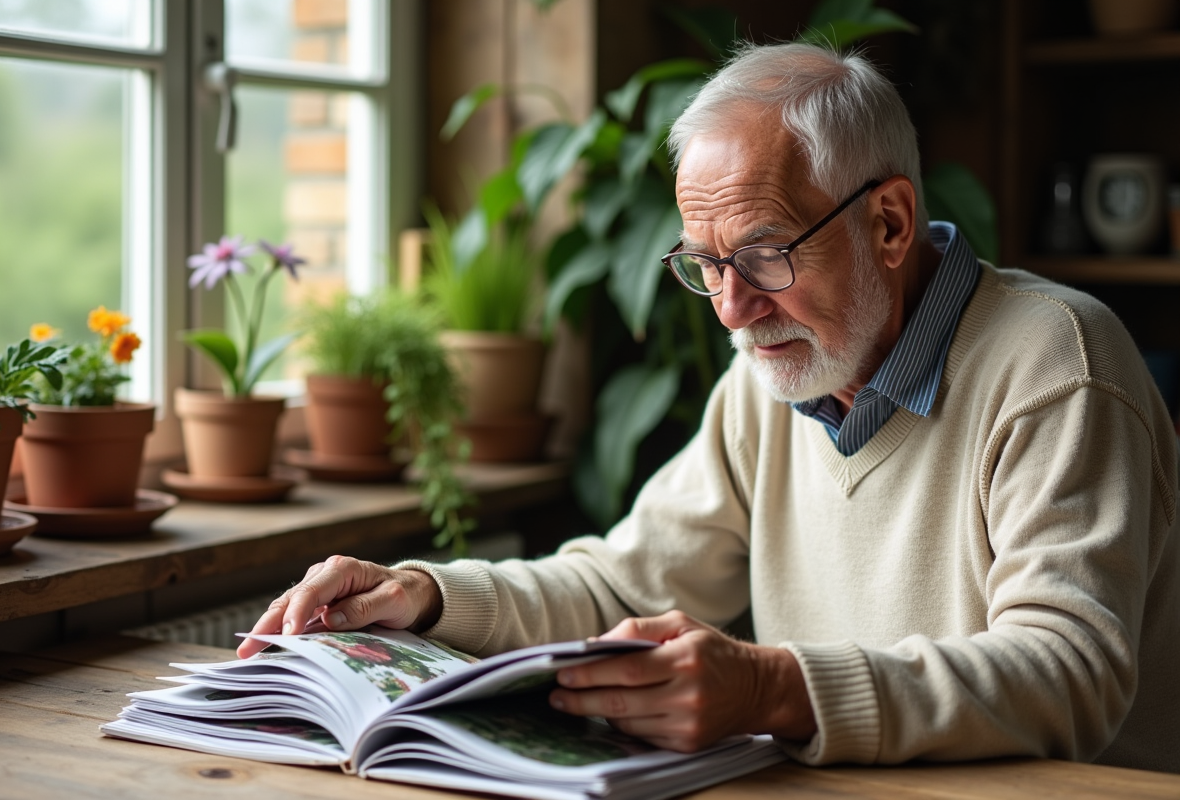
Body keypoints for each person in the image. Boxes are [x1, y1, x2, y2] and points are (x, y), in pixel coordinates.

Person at [240, 43, 1180, 772]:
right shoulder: (773, 383)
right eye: (705, 264)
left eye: (766, 254)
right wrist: (429, 593)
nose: (732, 307)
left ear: (889, 222)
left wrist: (773, 688)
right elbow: (624, 585)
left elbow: (1071, 673)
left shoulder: (1058, 359)